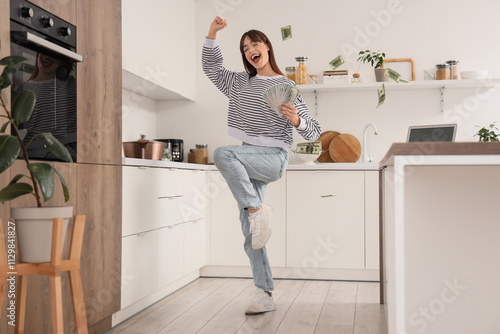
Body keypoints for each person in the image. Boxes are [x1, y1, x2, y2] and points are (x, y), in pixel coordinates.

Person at [202, 16, 321, 314]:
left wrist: (297, 120)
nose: (250, 50)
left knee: (222, 154)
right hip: (248, 157)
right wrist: (212, 34)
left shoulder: (286, 85)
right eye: (244, 48)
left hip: (274, 158)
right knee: (251, 231)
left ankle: (256, 210)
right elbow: (211, 68)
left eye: (255, 43)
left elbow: (315, 132)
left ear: (267, 47)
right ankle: (264, 292)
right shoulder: (239, 83)